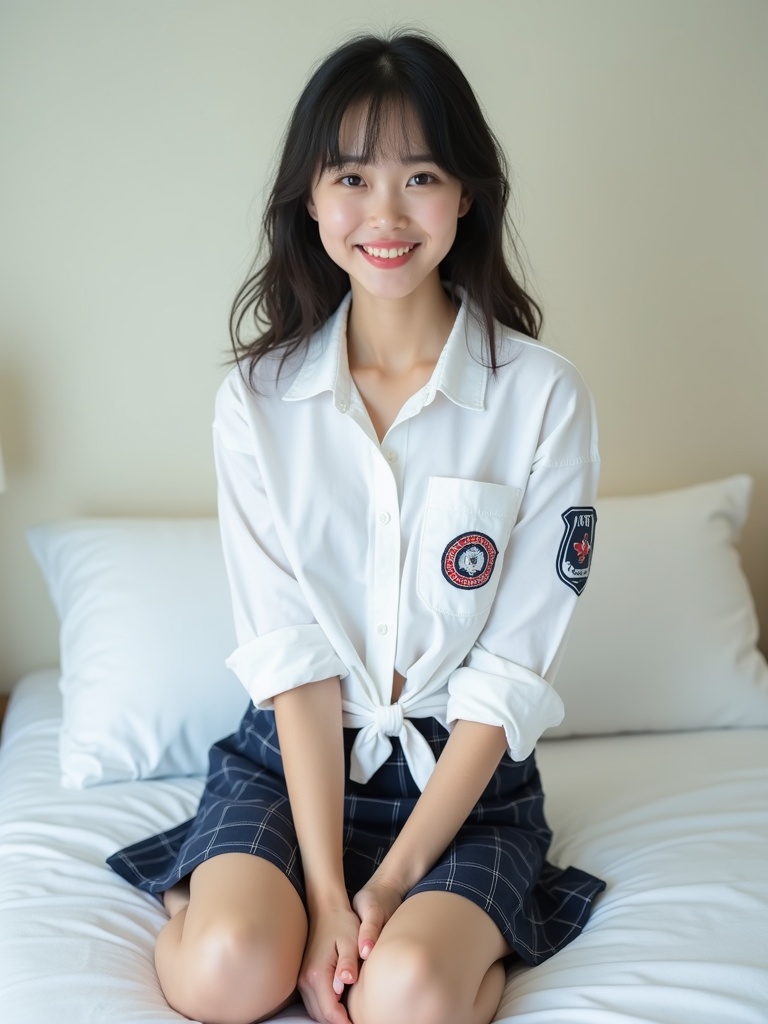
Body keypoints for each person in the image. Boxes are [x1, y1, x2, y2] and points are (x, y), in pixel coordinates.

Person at [108, 30, 605, 1024]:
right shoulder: (259, 399)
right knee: (228, 971)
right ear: (311, 197)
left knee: (405, 998)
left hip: (463, 782)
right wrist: (328, 897)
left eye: (420, 174)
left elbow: (507, 678)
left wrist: (384, 894)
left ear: (466, 193)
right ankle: (224, 892)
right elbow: (291, 658)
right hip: (290, 760)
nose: (384, 212)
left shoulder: (543, 398)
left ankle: (471, 955)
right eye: (351, 176)